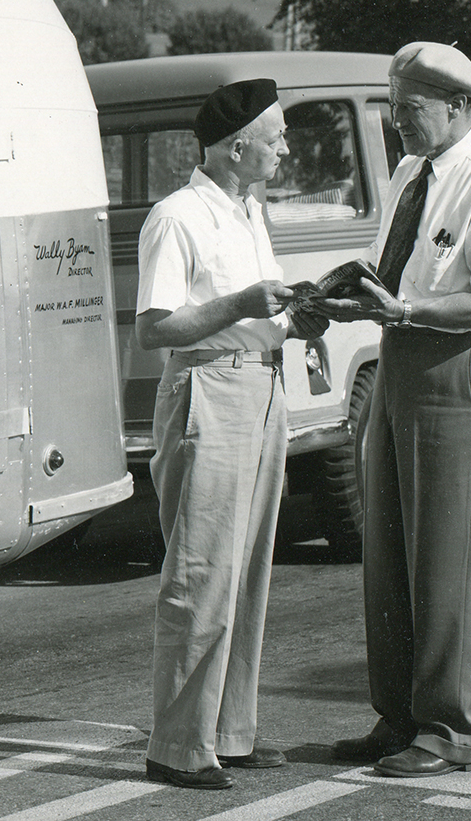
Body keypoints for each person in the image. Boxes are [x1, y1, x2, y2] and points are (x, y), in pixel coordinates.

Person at [320, 42, 471, 777]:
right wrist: (352, 299)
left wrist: (406, 309)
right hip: (401, 359)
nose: (397, 122)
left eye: (409, 109)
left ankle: (452, 731)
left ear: (457, 106)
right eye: (394, 107)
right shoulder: (411, 173)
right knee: (389, 554)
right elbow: (397, 275)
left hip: (459, 370)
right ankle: (401, 716)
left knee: (449, 559)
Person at [134, 78, 327, 790]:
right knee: (201, 572)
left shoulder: (249, 212)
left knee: (246, 571)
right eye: (275, 138)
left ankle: (229, 732)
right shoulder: (177, 217)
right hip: (209, 391)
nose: (285, 149)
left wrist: (296, 321)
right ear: (237, 147)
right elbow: (156, 328)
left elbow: (255, 313)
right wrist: (243, 304)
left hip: (261, 388)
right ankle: (178, 746)